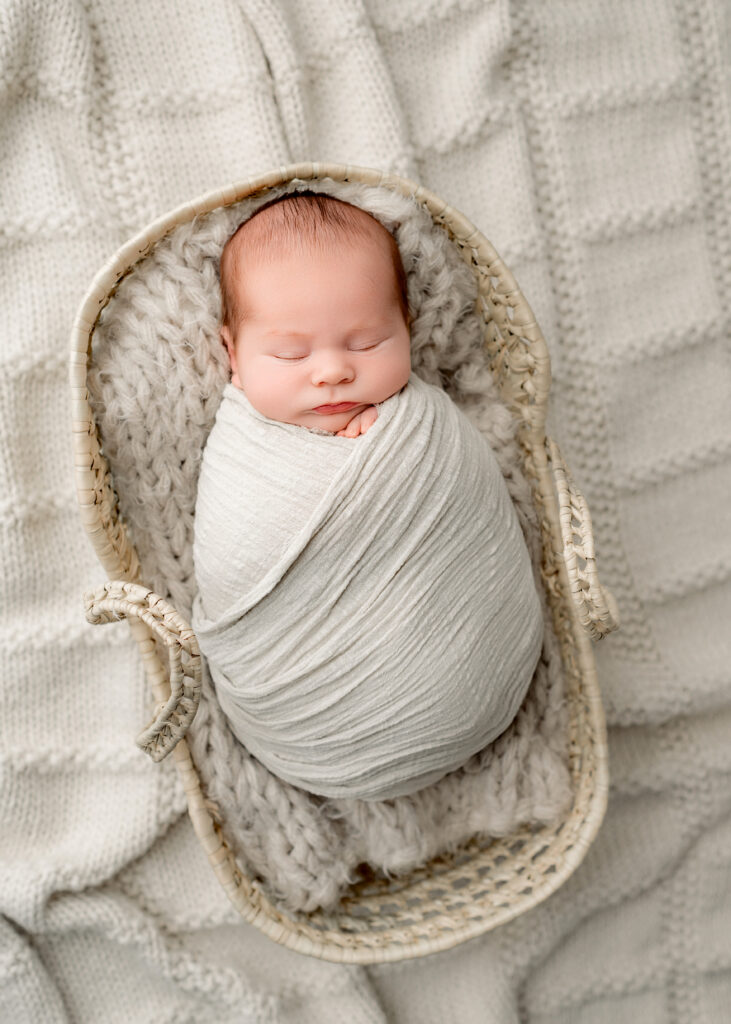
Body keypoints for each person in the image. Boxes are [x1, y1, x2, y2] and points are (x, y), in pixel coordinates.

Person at [191, 191, 544, 801]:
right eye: (290, 352)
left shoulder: (423, 428)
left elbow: (468, 511)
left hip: (476, 673)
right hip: (308, 723)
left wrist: (385, 457)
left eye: (365, 343)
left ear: (406, 330)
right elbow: (236, 550)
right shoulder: (244, 450)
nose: (331, 371)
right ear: (234, 356)